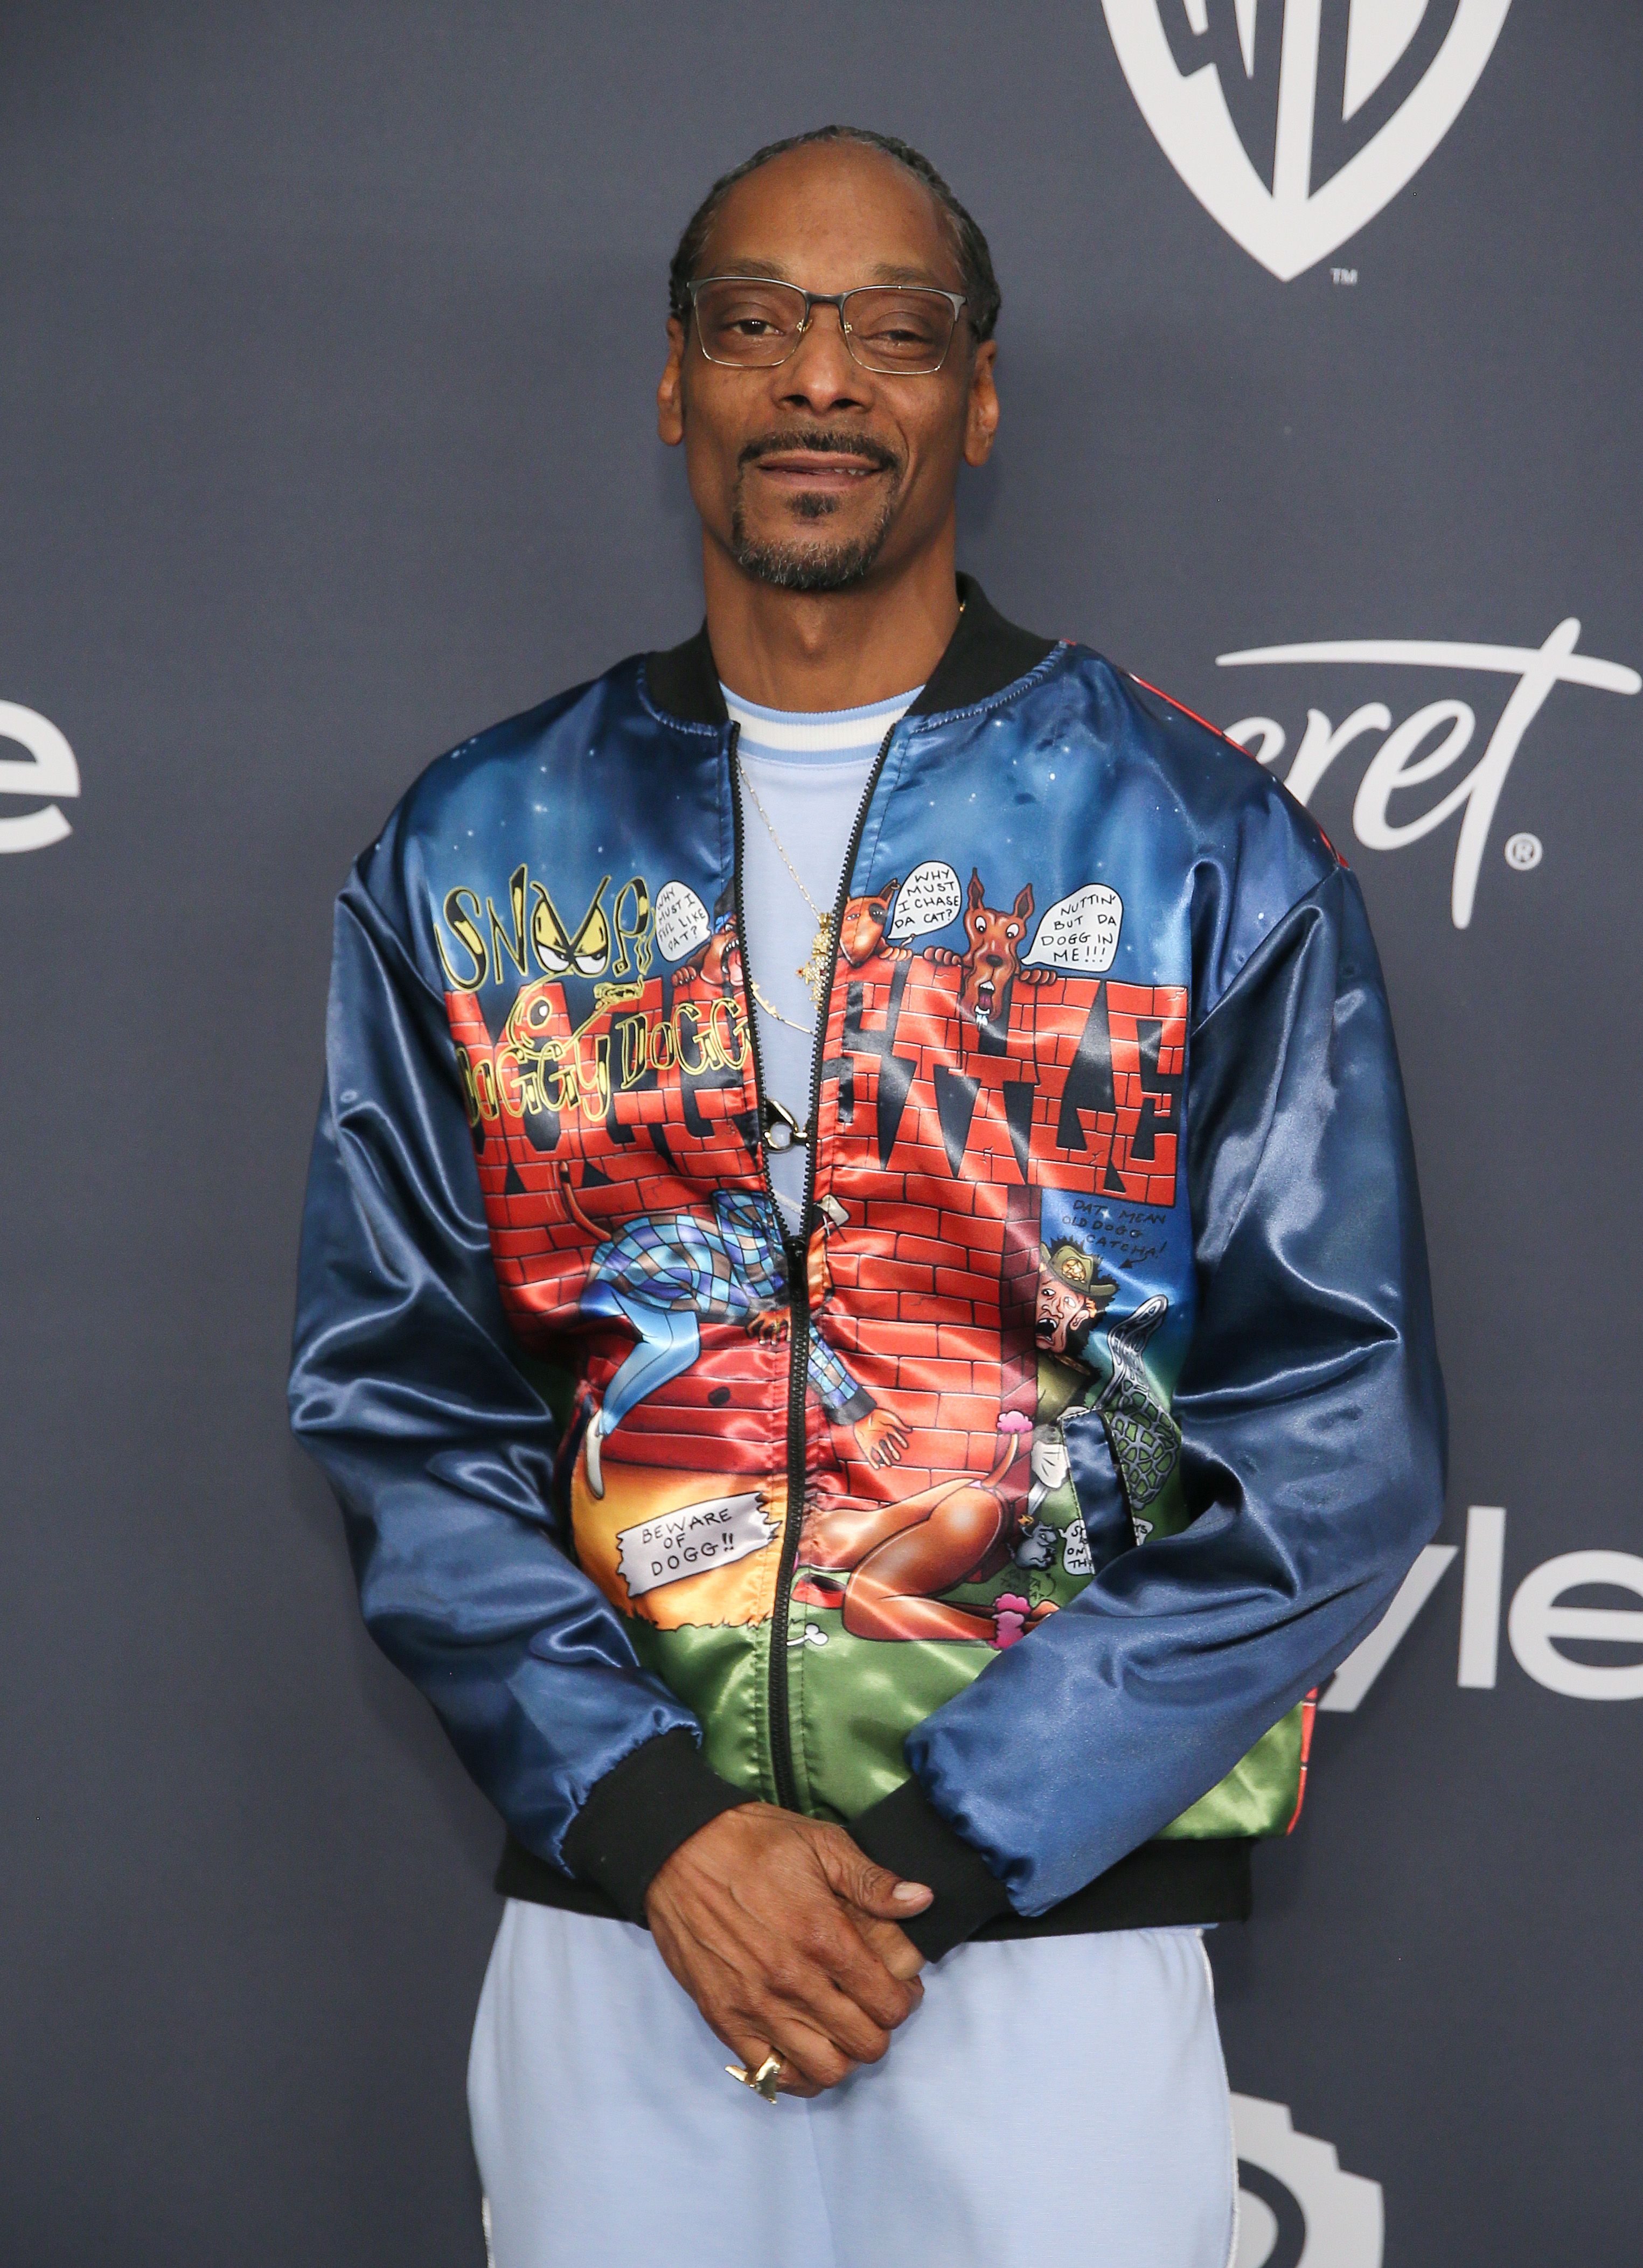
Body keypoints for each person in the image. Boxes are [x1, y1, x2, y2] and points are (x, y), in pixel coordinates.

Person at [289, 124, 1445, 2268]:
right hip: (627, 1927)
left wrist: (953, 1847)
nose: (819, 378)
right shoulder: (478, 844)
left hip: (1052, 1941)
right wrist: (662, 1825)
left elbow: (1331, 1442)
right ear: (675, 377)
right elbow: (403, 1397)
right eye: (758, 321)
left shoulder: (1195, 841)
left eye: (891, 332)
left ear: (975, 395)